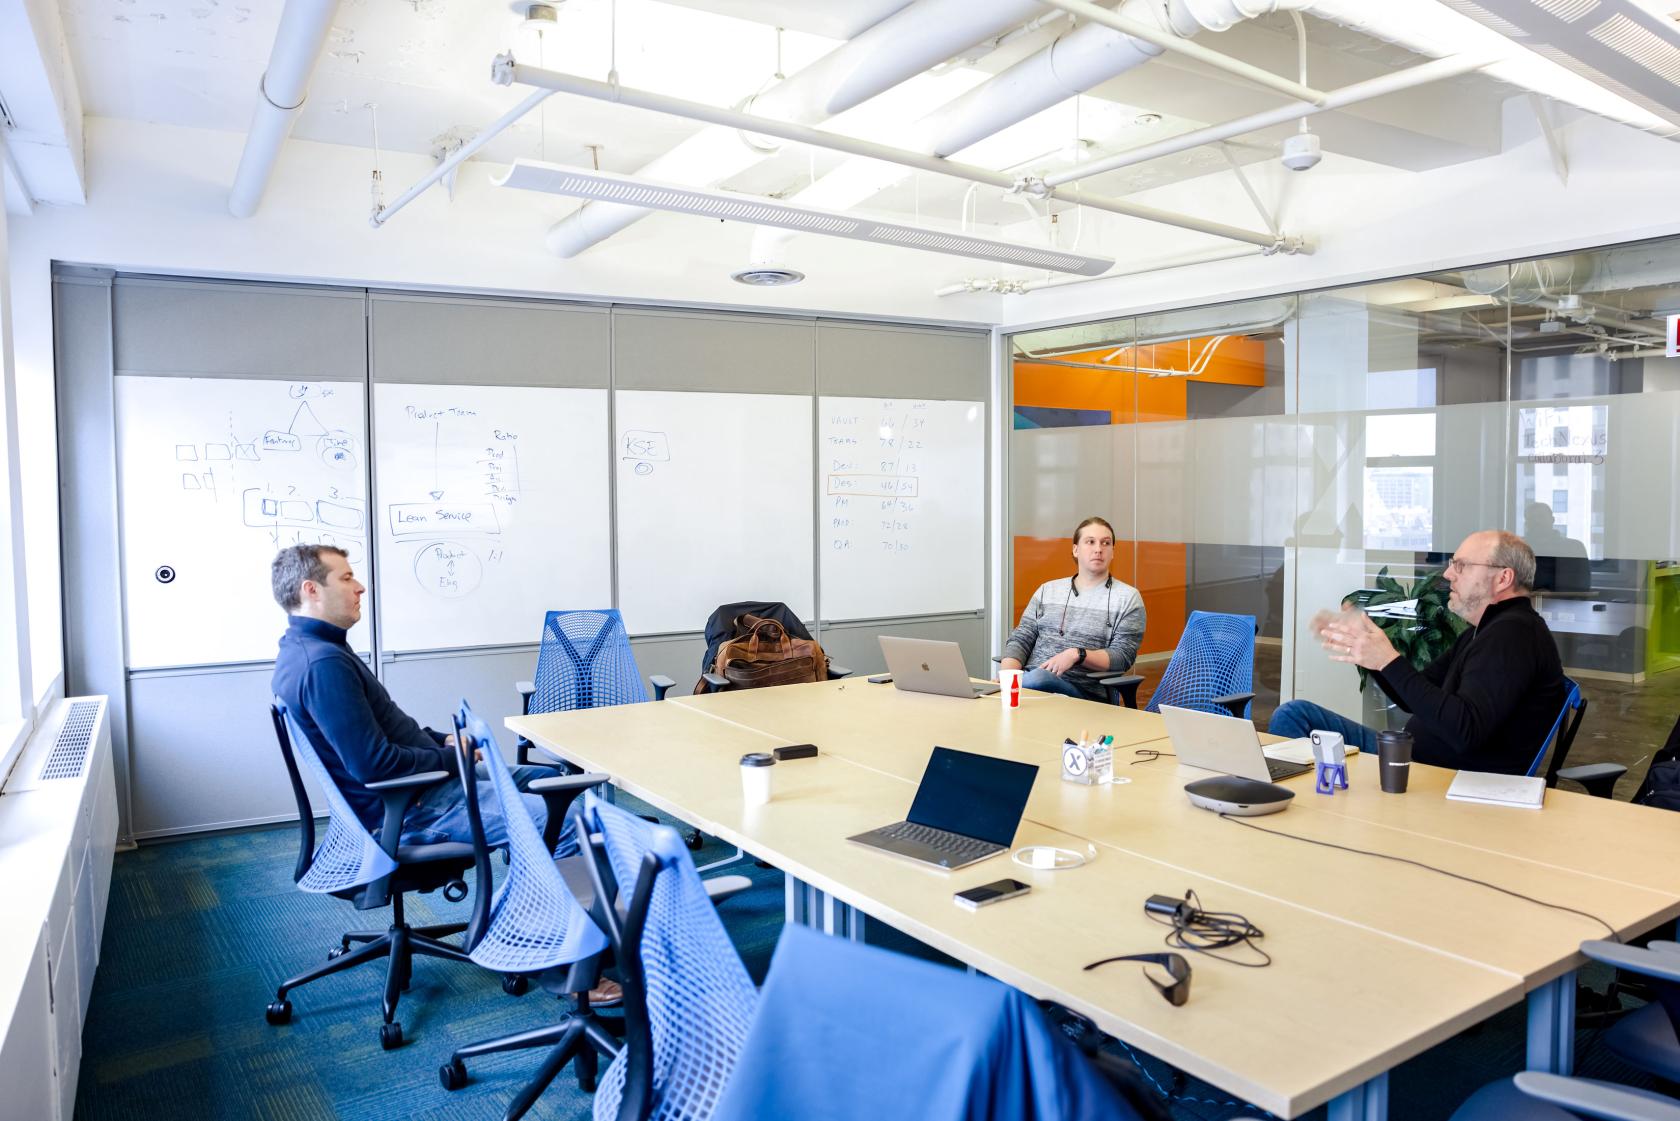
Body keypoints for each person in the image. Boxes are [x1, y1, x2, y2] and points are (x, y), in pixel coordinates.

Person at [269, 543, 558, 850]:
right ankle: (540, 891)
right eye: (346, 578)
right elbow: (376, 765)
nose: (360, 588)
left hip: (420, 788)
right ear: (311, 590)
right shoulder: (322, 665)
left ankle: (531, 861)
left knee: (547, 780)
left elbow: (381, 729)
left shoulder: (314, 647)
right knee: (570, 821)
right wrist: (455, 758)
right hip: (410, 807)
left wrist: (438, 740)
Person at [1269, 530, 1569, 775]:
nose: (1448, 574)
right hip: (1408, 754)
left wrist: (1388, 659)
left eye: (1461, 565)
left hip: (1438, 775)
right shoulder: (1483, 631)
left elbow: (1465, 731)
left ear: (1503, 578)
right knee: (1296, 715)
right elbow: (1413, 696)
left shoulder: (1513, 635)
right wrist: (1372, 656)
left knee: (1294, 719)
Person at [1000, 516, 1146, 701]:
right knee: (1031, 680)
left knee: (1039, 677)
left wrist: (1077, 654)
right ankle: (1007, 688)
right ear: (1076, 550)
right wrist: (1007, 676)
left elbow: (1122, 657)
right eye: (1090, 542)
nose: (1098, 549)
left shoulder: (1127, 598)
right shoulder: (1047, 590)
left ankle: (1009, 688)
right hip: (1031, 688)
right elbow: (1021, 638)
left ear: (1112, 552)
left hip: (1084, 693)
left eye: (1105, 543)